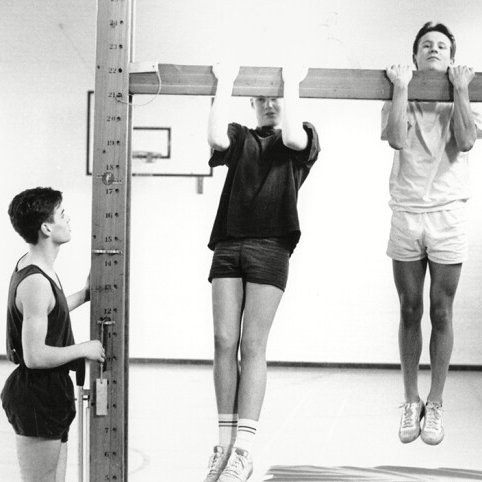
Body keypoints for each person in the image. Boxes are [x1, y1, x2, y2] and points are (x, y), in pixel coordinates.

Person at [202, 62, 320, 482]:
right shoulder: (241, 137)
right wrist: (226, 81)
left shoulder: (300, 138)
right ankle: (225, 443)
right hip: (230, 243)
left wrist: (291, 82)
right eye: (262, 98)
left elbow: (290, 133)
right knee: (222, 341)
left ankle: (245, 450)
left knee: (252, 344)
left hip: (271, 246)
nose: (270, 104)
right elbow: (215, 135)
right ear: (251, 103)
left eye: (276, 99)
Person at [382, 21, 482, 446]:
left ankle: (436, 402)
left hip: (448, 213)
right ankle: (411, 400)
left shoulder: (465, 96)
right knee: (409, 310)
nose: (434, 49)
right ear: (415, 55)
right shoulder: (397, 92)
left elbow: (466, 140)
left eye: (441, 45)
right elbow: (396, 140)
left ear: (451, 56)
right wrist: (401, 88)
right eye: (426, 45)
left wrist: (460, 89)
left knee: (441, 311)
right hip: (407, 212)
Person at [0, 187, 104, 482]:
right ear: (46, 227)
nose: (68, 219)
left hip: (52, 390)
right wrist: (83, 348)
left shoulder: (39, 267)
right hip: (37, 393)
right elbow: (35, 356)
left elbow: (49, 313)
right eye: (61, 214)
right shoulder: (35, 281)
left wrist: (84, 295)